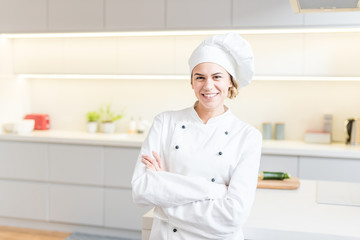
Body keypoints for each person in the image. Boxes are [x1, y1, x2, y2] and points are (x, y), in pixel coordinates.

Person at [131, 32, 262, 240]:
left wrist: (165, 195)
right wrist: (216, 191)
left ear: (230, 81)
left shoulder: (247, 136)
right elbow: (141, 190)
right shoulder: (165, 123)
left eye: (217, 76)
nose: (208, 85)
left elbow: (233, 216)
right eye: (200, 77)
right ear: (191, 82)